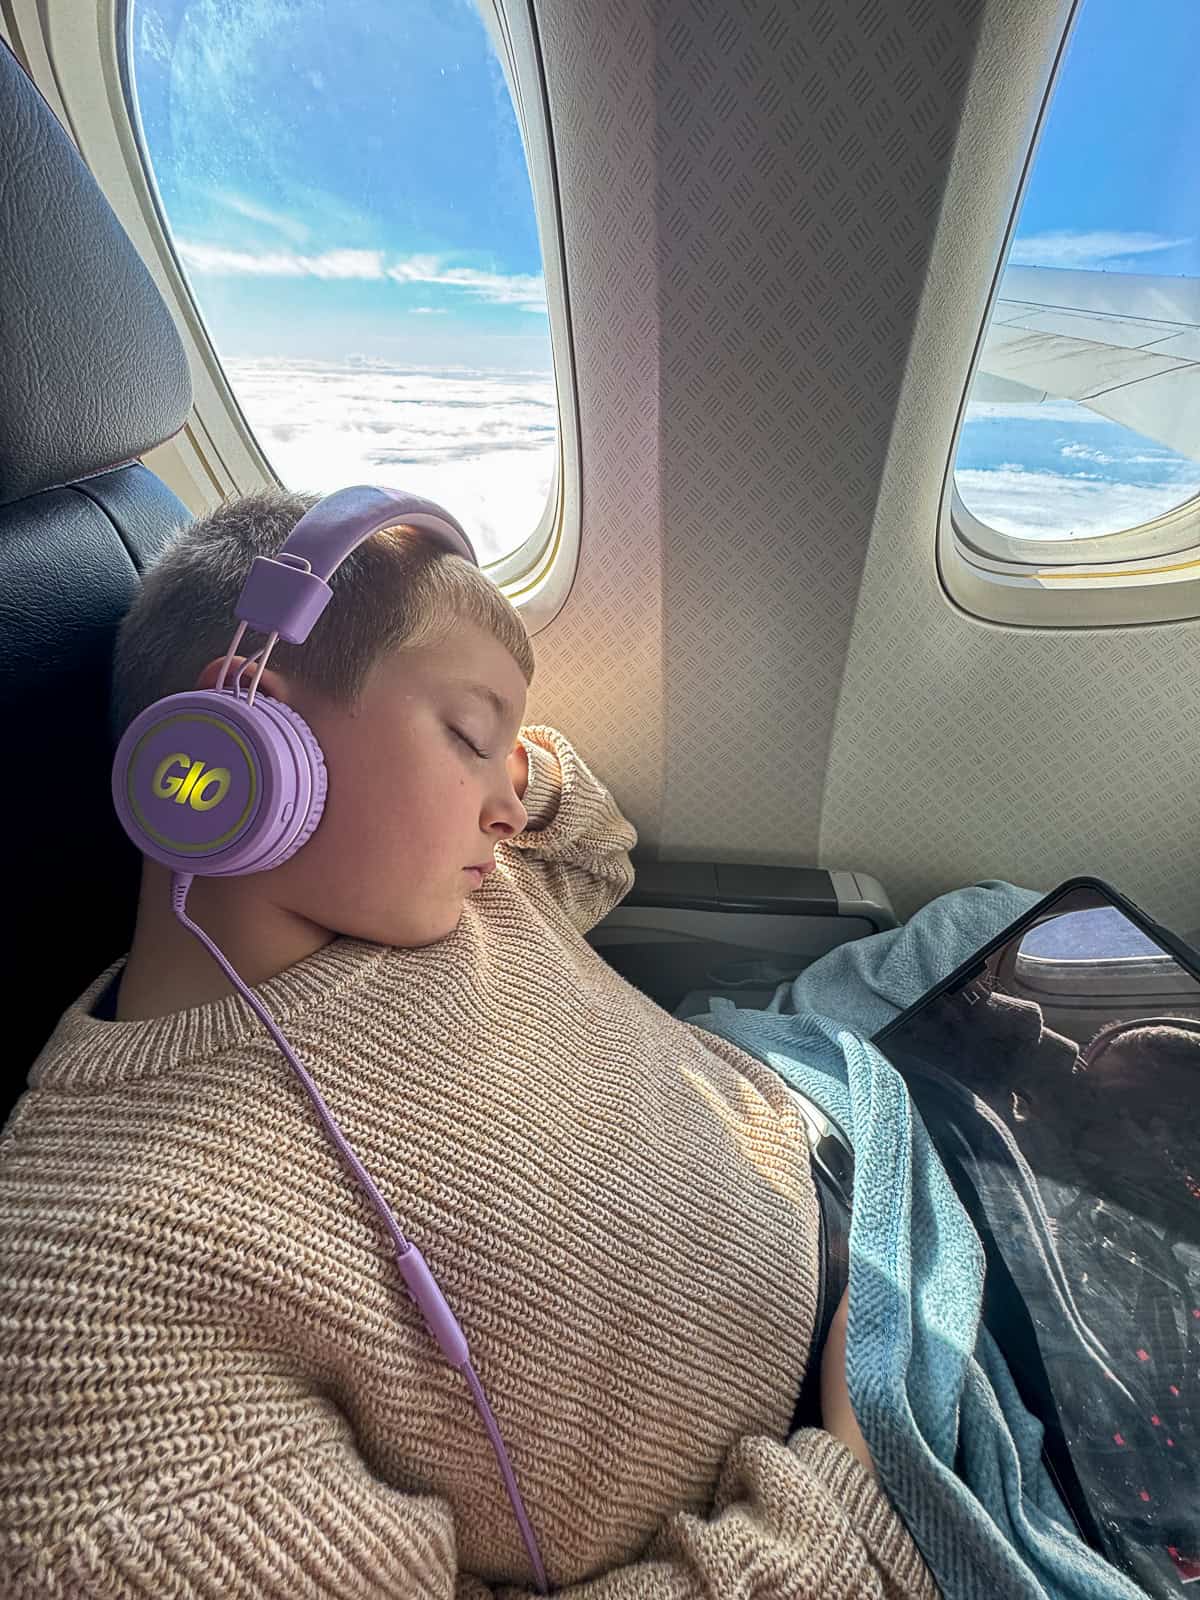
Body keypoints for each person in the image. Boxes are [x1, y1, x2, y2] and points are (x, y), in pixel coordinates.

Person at [0, 490, 934, 1598]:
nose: (511, 805)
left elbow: (600, 852)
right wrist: (846, 1494)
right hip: (849, 1452)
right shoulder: (93, 1275)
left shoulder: (436, 882)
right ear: (244, 735)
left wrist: (493, 766)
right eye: (468, 734)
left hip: (834, 1117)